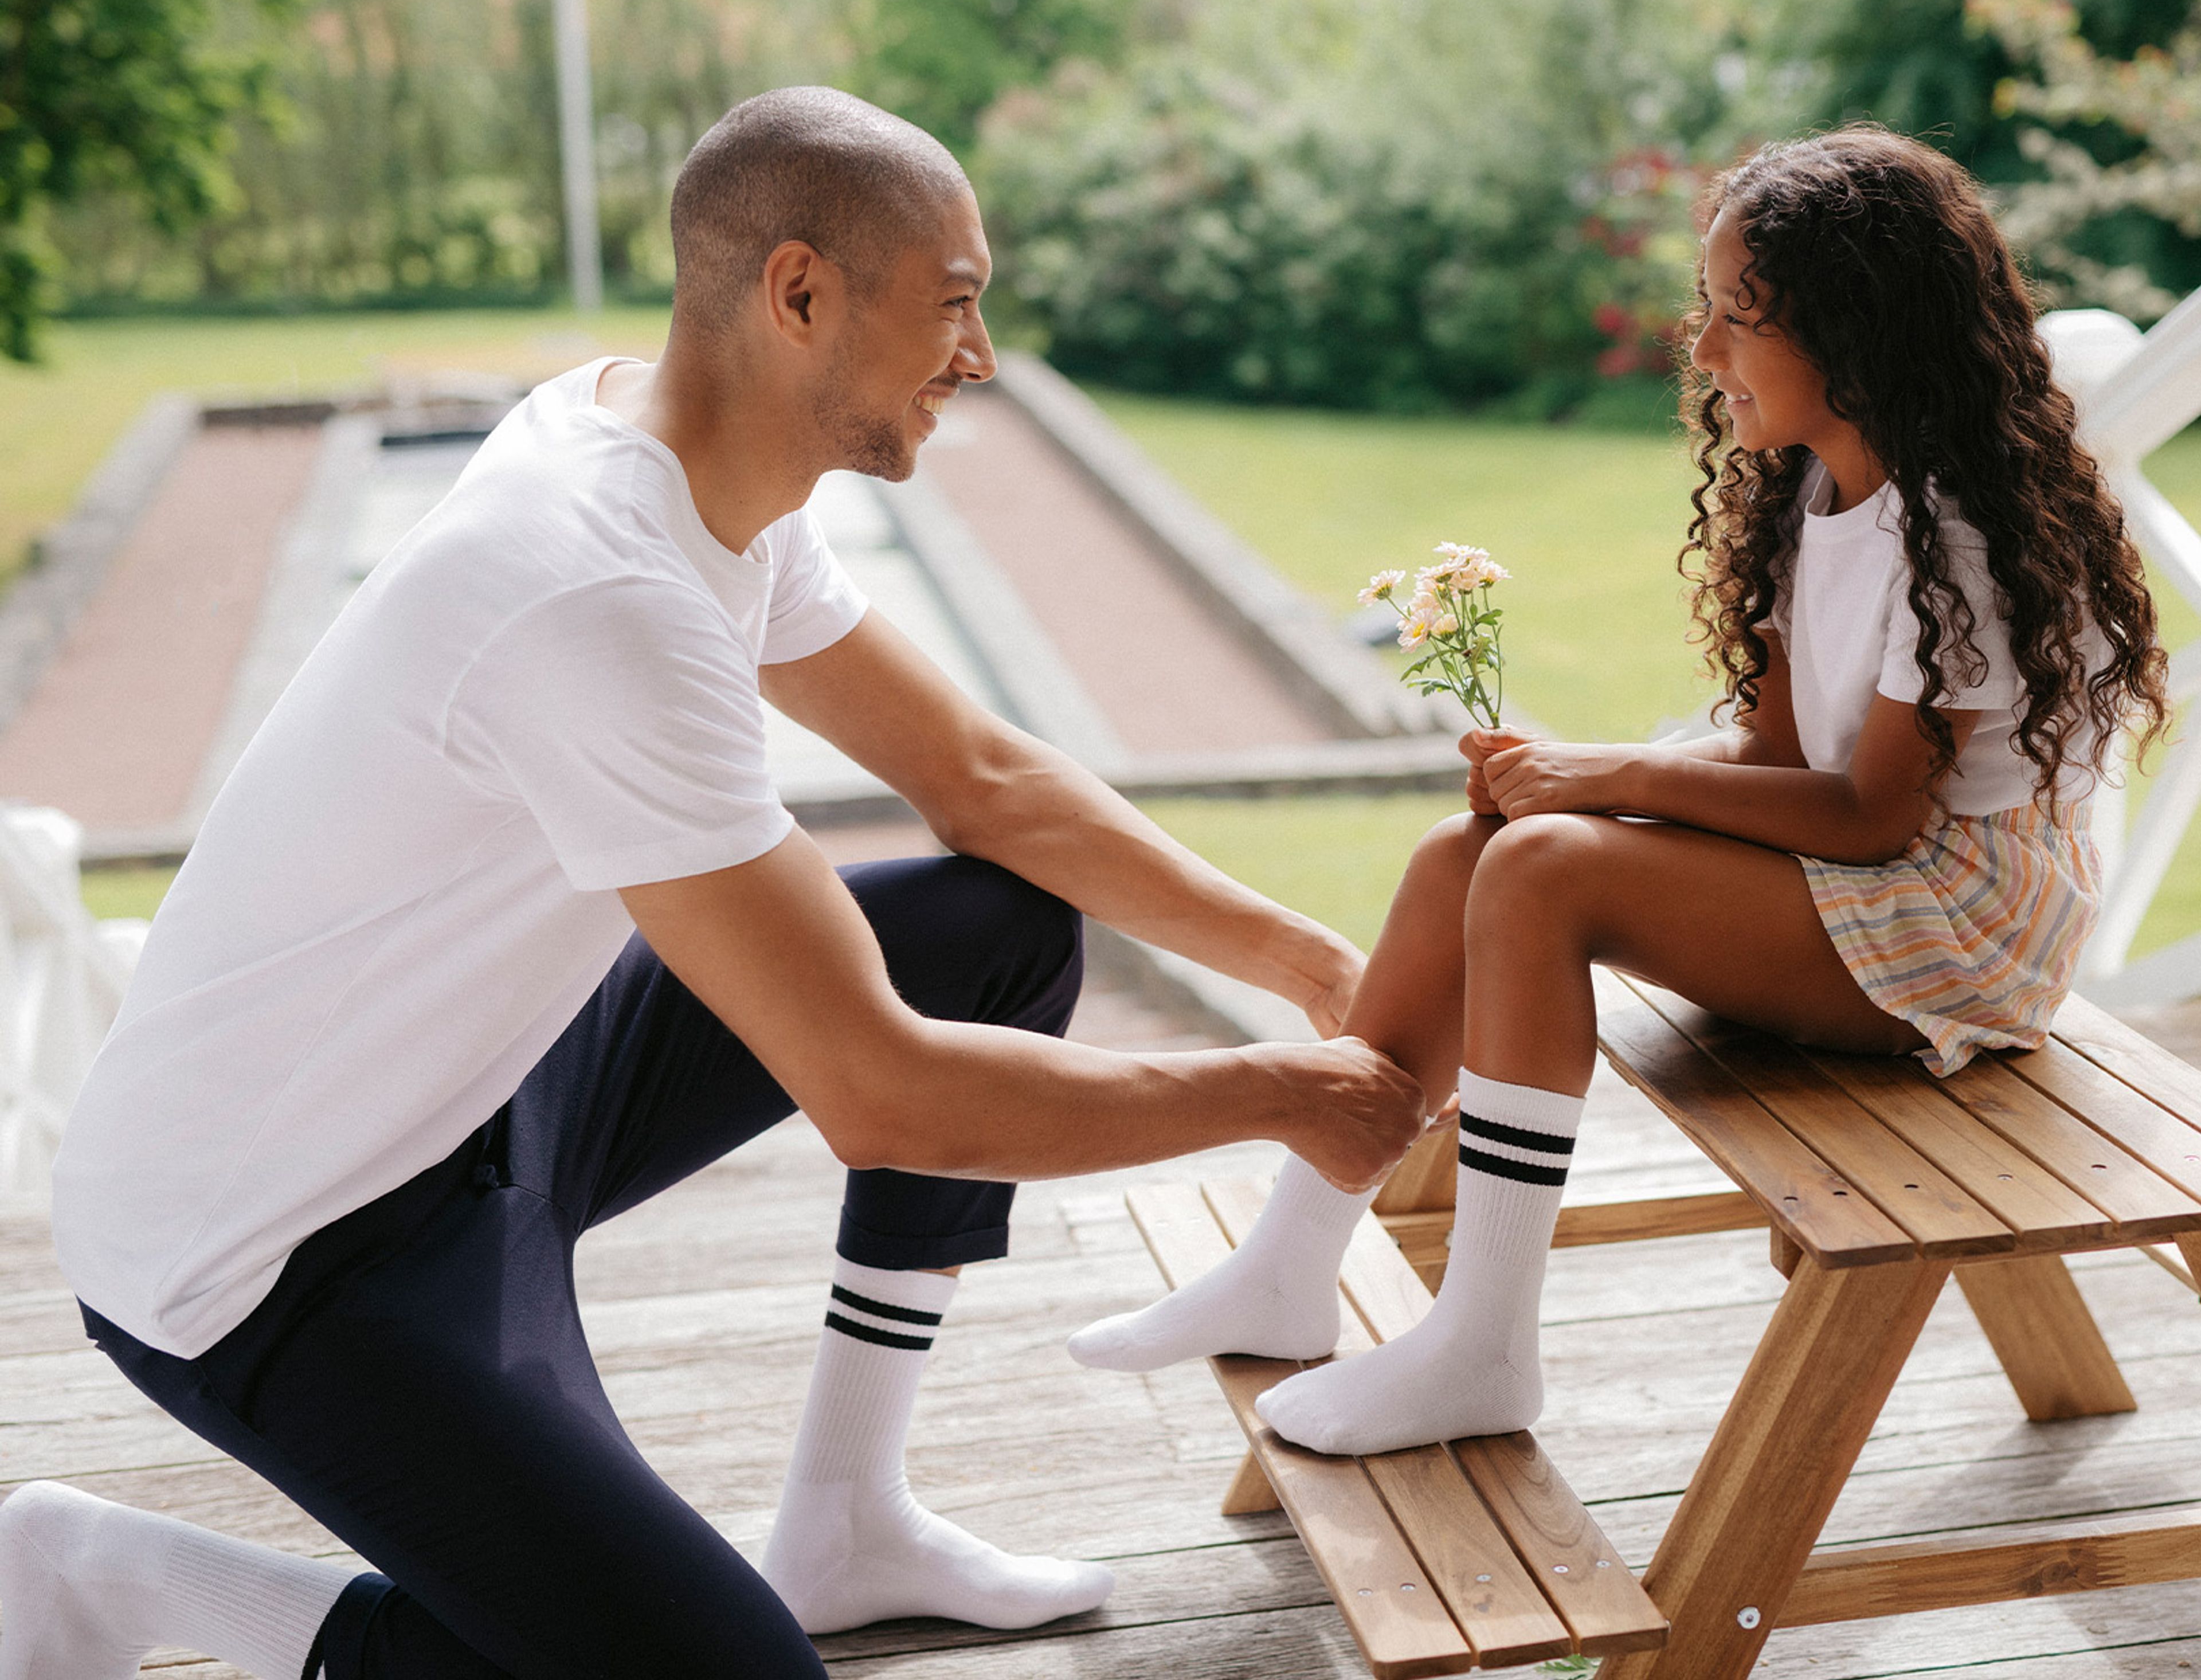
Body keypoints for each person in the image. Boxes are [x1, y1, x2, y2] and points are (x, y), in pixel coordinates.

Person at [0, 86, 1428, 1680]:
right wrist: (1284, 1092)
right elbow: (884, 1097)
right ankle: (96, 1577)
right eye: (955, 305)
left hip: (487, 1098)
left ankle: (845, 1518)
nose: (982, 355)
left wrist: (1313, 963)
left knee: (996, 924)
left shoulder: (693, 469)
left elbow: (987, 782)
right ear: (800, 293)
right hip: (274, 1250)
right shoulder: (597, 587)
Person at [1069, 124, 2171, 1457]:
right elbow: (1772, 763)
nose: (1701, 351)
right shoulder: (1815, 490)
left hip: (1963, 928)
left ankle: (1482, 1346)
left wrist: (1606, 781)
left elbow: (1876, 816)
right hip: (1872, 885)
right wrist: (1562, 780)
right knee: (1464, 851)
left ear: (1856, 331)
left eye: (1736, 318)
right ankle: (1295, 1259)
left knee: (1544, 870)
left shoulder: (1959, 537)